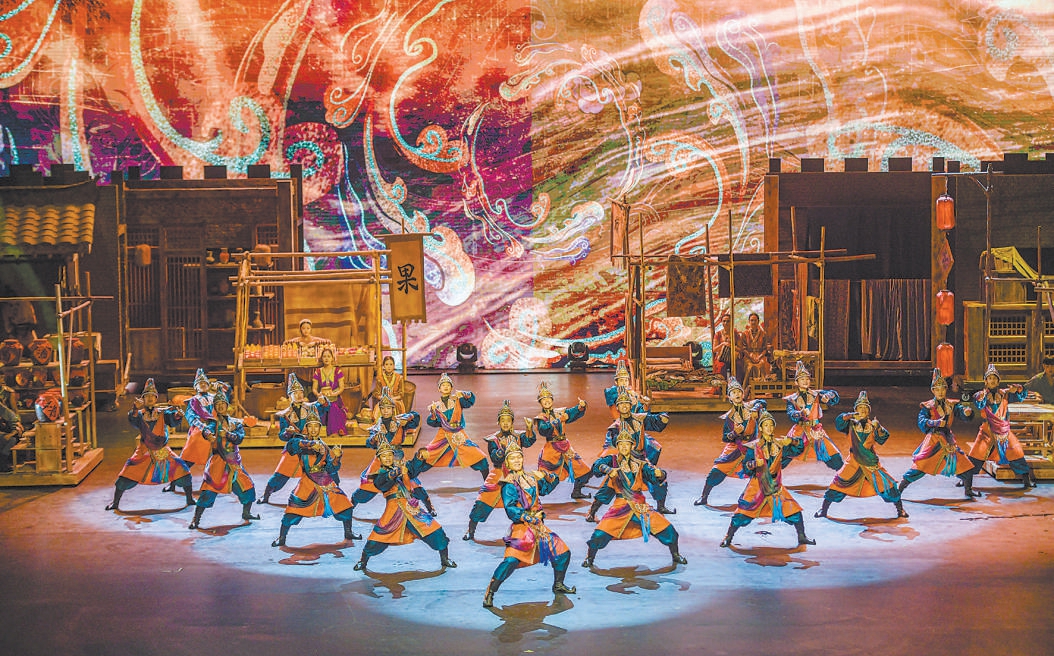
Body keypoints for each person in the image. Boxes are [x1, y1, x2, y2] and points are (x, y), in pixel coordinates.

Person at [483, 444, 575, 608]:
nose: (517, 460)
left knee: (563, 553)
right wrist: (528, 517)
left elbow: (545, 489)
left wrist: (548, 476)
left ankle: (558, 584)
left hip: (538, 527)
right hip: (522, 528)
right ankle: (490, 592)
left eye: (519, 457)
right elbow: (511, 509)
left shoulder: (531, 477)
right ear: (507, 463)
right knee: (511, 561)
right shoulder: (508, 484)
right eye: (512, 458)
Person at [581, 430, 687, 569]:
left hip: (639, 505)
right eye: (621, 444)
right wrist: (608, 470)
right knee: (599, 535)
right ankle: (589, 558)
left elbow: (653, 474)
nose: (624, 447)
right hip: (620, 505)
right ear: (617, 446)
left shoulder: (640, 463)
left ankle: (676, 555)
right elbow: (597, 465)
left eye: (627, 444)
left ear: (632, 446)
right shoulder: (612, 460)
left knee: (669, 530)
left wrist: (660, 474)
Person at [353, 441, 456, 571]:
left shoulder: (402, 467)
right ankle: (363, 561)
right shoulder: (379, 475)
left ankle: (445, 559)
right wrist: (397, 472)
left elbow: (412, 468)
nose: (387, 458)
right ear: (379, 459)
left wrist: (419, 457)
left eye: (389, 455)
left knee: (435, 530)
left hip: (411, 507)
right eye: (384, 456)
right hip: (393, 509)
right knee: (377, 538)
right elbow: (383, 483)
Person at [719, 410, 815, 548]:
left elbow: (798, 449)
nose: (769, 428)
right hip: (757, 486)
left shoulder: (780, 444)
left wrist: (792, 440)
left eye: (771, 425)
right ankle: (728, 537)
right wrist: (754, 464)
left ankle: (802, 537)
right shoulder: (754, 446)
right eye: (766, 425)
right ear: (761, 428)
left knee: (794, 512)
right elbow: (746, 467)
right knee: (741, 515)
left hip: (775, 486)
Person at [270, 405, 358, 547]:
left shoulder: (324, 446)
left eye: (316, 426)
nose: (313, 429)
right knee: (292, 510)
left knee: (345, 506)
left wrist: (337, 458)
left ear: (320, 428)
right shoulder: (299, 440)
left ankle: (348, 532)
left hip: (325, 481)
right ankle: (281, 538)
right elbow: (292, 445)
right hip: (307, 481)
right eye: (310, 426)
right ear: (306, 428)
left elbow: (331, 468)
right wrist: (311, 444)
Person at [814, 391, 908, 519]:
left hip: (870, 462)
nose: (863, 410)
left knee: (888, 486)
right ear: (855, 410)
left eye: (865, 408)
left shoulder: (873, 425)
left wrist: (879, 427)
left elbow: (883, 438)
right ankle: (824, 510)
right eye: (860, 408)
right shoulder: (850, 424)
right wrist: (847, 416)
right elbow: (839, 423)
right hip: (853, 461)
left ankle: (900, 510)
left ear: (869, 411)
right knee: (837, 485)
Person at [583, 389, 674, 520]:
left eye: (627, 403)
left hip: (640, 459)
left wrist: (662, 418)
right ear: (617, 407)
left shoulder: (639, 418)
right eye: (621, 404)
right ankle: (592, 511)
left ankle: (661, 506)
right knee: (610, 486)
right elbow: (616, 441)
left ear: (631, 405)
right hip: (623, 459)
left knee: (657, 478)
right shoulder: (616, 426)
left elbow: (654, 421)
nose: (624, 406)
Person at [106, 379, 194, 510]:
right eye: (147, 396)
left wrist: (177, 415)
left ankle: (189, 498)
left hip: (162, 450)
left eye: (152, 396)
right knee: (127, 474)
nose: (150, 399)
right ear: (143, 399)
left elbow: (172, 420)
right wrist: (135, 408)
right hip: (144, 450)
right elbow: (133, 420)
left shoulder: (162, 412)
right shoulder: (139, 414)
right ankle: (115, 502)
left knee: (182, 470)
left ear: (156, 399)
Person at [899, 369, 980, 499]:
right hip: (934, 441)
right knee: (919, 468)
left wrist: (967, 412)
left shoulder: (951, 404)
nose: (940, 392)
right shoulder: (928, 406)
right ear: (933, 391)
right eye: (937, 389)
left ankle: (968, 490)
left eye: (943, 389)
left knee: (965, 466)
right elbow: (921, 421)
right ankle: (900, 489)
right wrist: (934, 422)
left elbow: (961, 412)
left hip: (948, 440)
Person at [350, 388, 432, 516]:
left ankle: (430, 506)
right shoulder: (377, 426)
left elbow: (416, 418)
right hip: (381, 462)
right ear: (380, 410)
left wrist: (408, 417)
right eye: (383, 408)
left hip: (398, 460)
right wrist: (374, 439)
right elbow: (368, 443)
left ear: (393, 409)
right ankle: (351, 504)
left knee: (414, 485)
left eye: (388, 408)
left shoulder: (399, 422)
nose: (386, 411)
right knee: (367, 490)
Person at [463, 400, 537, 541]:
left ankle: (528, 532)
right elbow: (494, 457)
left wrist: (529, 429)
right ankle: (471, 530)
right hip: (498, 475)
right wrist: (501, 450)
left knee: (524, 503)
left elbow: (528, 442)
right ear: (498, 422)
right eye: (503, 420)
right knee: (482, 502)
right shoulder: (493, 439)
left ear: (512, 422)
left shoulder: (518, 436)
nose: (505, 423)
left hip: (516, 475)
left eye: (508, 420)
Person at [188, 391, 259, 529]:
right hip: (218, 461)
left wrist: (228, 434)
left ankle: (246, 513)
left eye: (222, 404)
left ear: (227, 405)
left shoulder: (235, 422)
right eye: (218, 404)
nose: (220, 406)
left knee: (247, 487)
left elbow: (239, 438)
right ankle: (196, 519)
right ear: (215, 407)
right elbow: (207, 430)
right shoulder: (213, 423)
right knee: (208, 491)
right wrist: (208, 434)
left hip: (234, 461)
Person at [694, 376, 765, 506]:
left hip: (752, 447)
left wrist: (755, 410)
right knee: (716, 471)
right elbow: (725, 437)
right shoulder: (730, 417)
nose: (737, 394)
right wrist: (734, 433)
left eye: (739, 392)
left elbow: (762, 402)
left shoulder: (750, 406)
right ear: (730, 397)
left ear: (743, 394)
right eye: (733, 393)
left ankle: (756, 498)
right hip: (735, 448)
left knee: (761, 472)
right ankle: (704, 496)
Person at [258, 374, 329, 504]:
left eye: (300, 392)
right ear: (289, 396)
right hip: (294, 448)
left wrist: (324, 401)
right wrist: (287, 433)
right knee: (280, 474)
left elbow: (324, 407)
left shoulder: (311, 407)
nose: (299, 395)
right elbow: (281, 436)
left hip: (311, 447)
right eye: (295, 393)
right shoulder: (285, 414)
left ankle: (326, 497)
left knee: (320, 471)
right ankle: (266, 495)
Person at [967, 364, 1034, 489]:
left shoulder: (1005, 394)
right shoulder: (980, 395)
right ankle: (965, 481)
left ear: (998, 381)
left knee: (1016, 452)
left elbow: (1021, 396)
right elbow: (979, 405)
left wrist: (1018, 389)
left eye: (995, 378)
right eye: (990, 378)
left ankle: (1026, 480)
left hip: (1004, 431)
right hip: (987, 430)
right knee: (976, 454)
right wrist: (985, 395)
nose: (992, 381)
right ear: (986, 381)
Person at [531, 381, 592, 499]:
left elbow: (571, 412)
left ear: (552, 400)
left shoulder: (560, 412)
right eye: (544, 400)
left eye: (549, 399)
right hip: (551, 449)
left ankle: (576, 492)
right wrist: (558, 421)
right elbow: (544, 430)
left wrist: (580, 407)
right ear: (540, 403)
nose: (547, 401)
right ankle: (531, 495)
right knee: (549, 477)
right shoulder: (541, 418)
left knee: (583, 469)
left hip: (565, 446)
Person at [422, 373, 489, 478]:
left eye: (448, 385)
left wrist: (464, 394)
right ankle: (410, 476)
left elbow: (469, 401)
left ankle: (488, 482)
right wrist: (433, 413)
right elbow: (432, 422)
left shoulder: (457, 400)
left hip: (458, 435)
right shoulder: (436, 406)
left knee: (477, 456)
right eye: (443, 385)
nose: (446, 387)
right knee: (427, 456)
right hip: (443, 436)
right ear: (439, 389)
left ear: (452, 387)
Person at [784, 360, 844, 471]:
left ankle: (843, 475)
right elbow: (790, 413)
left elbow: (834, 394)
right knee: (784, 454)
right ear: (796, 382)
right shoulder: (792, 399)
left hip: (816, 430)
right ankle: (770, 476)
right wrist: (800, 413)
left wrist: (828, 396)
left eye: (807, 379)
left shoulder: (816, 394)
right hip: (799, 430)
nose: (805, 381)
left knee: (833, 455)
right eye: (802, 379)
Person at [177, 369, 216, 476]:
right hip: (200, 429)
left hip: (216, 427)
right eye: (200, 383)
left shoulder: (215, 397)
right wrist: (203, 427)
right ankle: (177, 477)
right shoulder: (194, 400)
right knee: (189, 455)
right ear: (196, 387)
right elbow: (191, 416)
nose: (203, 385)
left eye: (205, 383)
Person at [284, 318, 332, 391]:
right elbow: (285, 343)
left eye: (308, 328)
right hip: (300, 370)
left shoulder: (315, 339)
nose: (306, 330)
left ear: (311, 329)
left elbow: (328, 342)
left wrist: (315, 343)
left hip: (313, 369)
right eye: (303, 328)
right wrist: (298, 343)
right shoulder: (297, 340)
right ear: (300, 329)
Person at [313, 345, 348, 436]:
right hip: (322, 399)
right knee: (319, 408)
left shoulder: (337, 371)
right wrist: (318, 395)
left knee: (333, 407)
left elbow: (341, 387)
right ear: (321, 358)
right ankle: (323, 431)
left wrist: (334, 394)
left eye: (329, 356)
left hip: (335, 399)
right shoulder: (318, 372)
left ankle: (335, 431)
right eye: (324, 356)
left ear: (332, 358)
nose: (326, 358)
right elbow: (314, 389)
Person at [739, 312, 772, 386]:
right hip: (748, 356)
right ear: (749, 322)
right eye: (752, 320)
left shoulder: (763, 334)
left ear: (758, 321)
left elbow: (765, 349)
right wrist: (751, 357)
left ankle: (762, 387)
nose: (753, 322)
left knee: (762, 364)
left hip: (760, 355)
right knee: (749, 366)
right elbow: (743, 349)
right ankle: (747, 387)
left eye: (755, 320)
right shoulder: (745, 334)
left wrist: (759, 357)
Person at [0, 385, 24, 472]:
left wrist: (18, 422)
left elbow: (14, 414)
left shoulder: (6, 411)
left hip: (6, 429)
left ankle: (3, 463)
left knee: (12, 439)